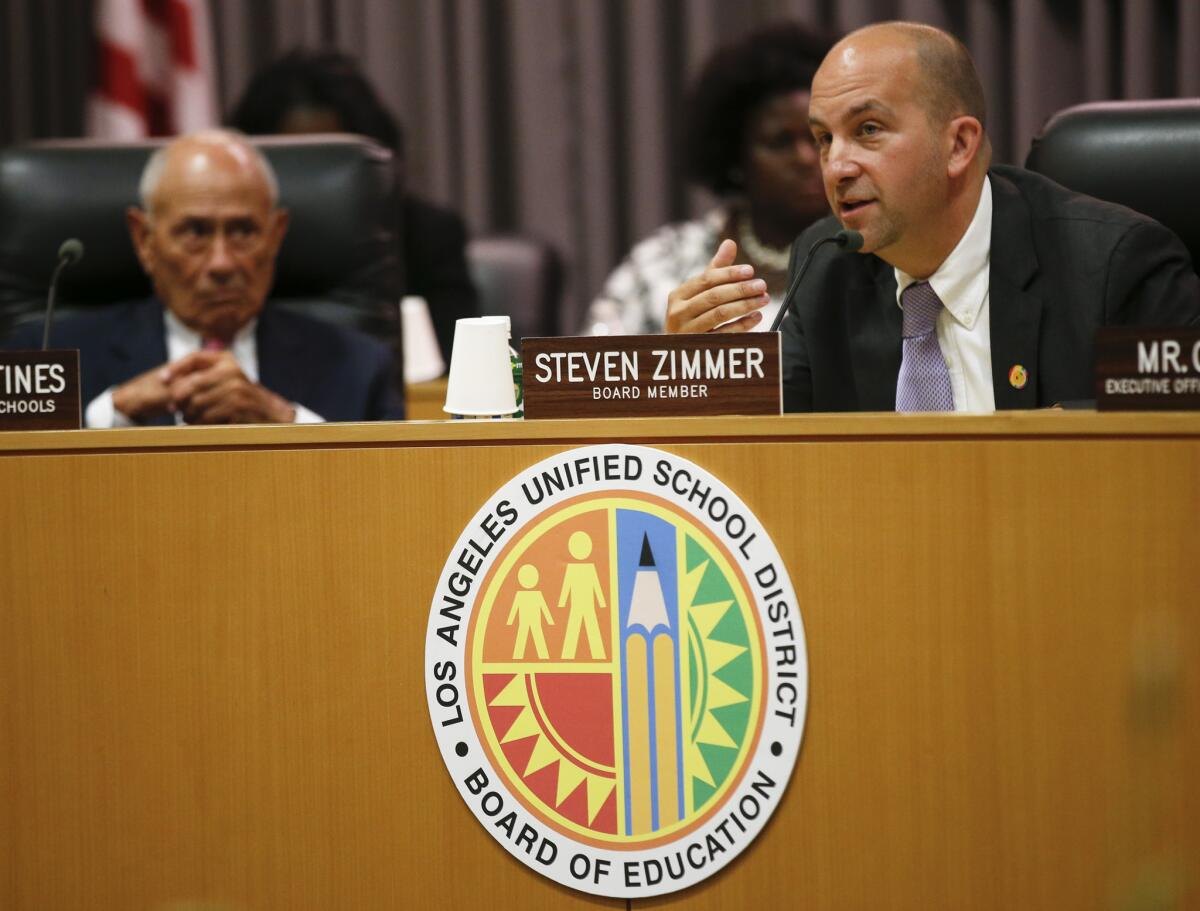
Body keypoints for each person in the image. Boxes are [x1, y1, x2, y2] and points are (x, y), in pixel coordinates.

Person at [666, 21, 1200, 411]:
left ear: (959, 144)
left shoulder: (1116, 268)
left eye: (868, 130)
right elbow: (776, 456)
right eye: (824, 138)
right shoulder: (826, 264)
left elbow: (1164, 472)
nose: (835, 165)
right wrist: (697, 376)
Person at [28, 130, 404, 426]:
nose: (222, 263)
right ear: (144, 240)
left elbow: (388, 498)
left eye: (242, 231)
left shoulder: (359, 366)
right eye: (195, 232)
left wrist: (285, 422)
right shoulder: (47, 358)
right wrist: (114, 413)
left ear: (275, 235)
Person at [228, 49, 479, 366]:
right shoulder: (228, 245)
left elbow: (463, 364)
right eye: (296, 164)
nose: (313, 185)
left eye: (330, 166)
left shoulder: (424, 233)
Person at [584, 22, 832, 335]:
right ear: (735, 155)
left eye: (819, 137)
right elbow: (590, 376)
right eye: (780, 142)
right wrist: (674, 357)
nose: (807, 158)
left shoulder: (876, 259)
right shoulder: (662, 263)